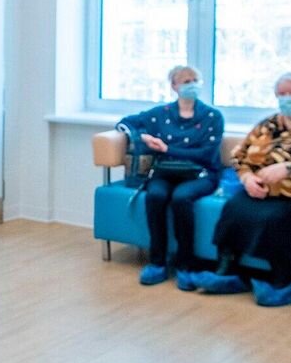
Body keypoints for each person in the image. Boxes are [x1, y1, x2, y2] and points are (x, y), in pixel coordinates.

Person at [116, 66, 224, 289]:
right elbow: (125, 122)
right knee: (155, 196)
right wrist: (142, 136)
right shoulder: (161, 113)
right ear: (174, 86)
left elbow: (206, 154)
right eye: (185, 81)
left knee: (181, 198)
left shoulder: (213, 116)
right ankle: (157, 262)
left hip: (201, 173)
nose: (191, 85)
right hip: (166, 171)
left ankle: (186, 264)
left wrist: (167, 149)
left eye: (195, 80)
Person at [194, 73, 291, 306]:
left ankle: (283, 282)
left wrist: (287, 168)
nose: (286, 98)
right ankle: (228, 272)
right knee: (233, 208)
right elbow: (239, 155)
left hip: (287, 195)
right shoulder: (267, 125)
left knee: (274, 218)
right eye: (282, 94)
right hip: (260, 190)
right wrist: (247, 178)